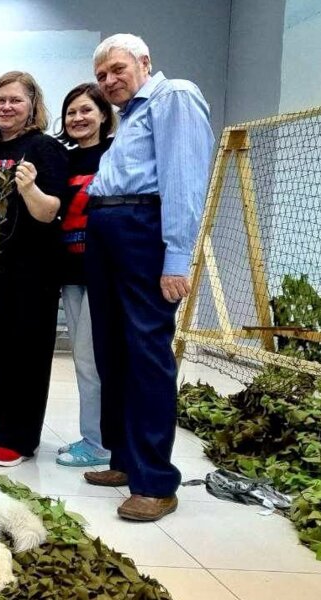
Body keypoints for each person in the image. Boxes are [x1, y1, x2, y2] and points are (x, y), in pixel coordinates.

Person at [81, 34, 214, 522]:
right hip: (111, 230)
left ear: (144, 62)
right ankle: (124, 460)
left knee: (146, 354)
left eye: (117, 69)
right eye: (101, 76)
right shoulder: (132, 116)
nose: (109, 81)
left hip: (142, 230)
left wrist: (177, 257)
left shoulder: (173, 96)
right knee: (113, 350)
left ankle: (156, 482)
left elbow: (184, 177)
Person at [0, 71, 68, 468]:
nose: (6, 107)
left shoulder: (45, 149)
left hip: (34, 268)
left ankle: (22, 437)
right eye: (0, 100)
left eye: (15, 100)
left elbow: (50, 212)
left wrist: (27, 187)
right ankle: (6, 419)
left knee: (26, 350)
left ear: (32, 106)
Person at [53, 83, 116, 468]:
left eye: (86, 111)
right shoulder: (64, 160)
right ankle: (92, 436)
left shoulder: (116, 154)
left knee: (94, 360)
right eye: (71, 112)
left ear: (104, 115)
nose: (78, 118)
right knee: (82, 357)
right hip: (71, 272)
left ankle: (100, 444)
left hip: (104, 272)